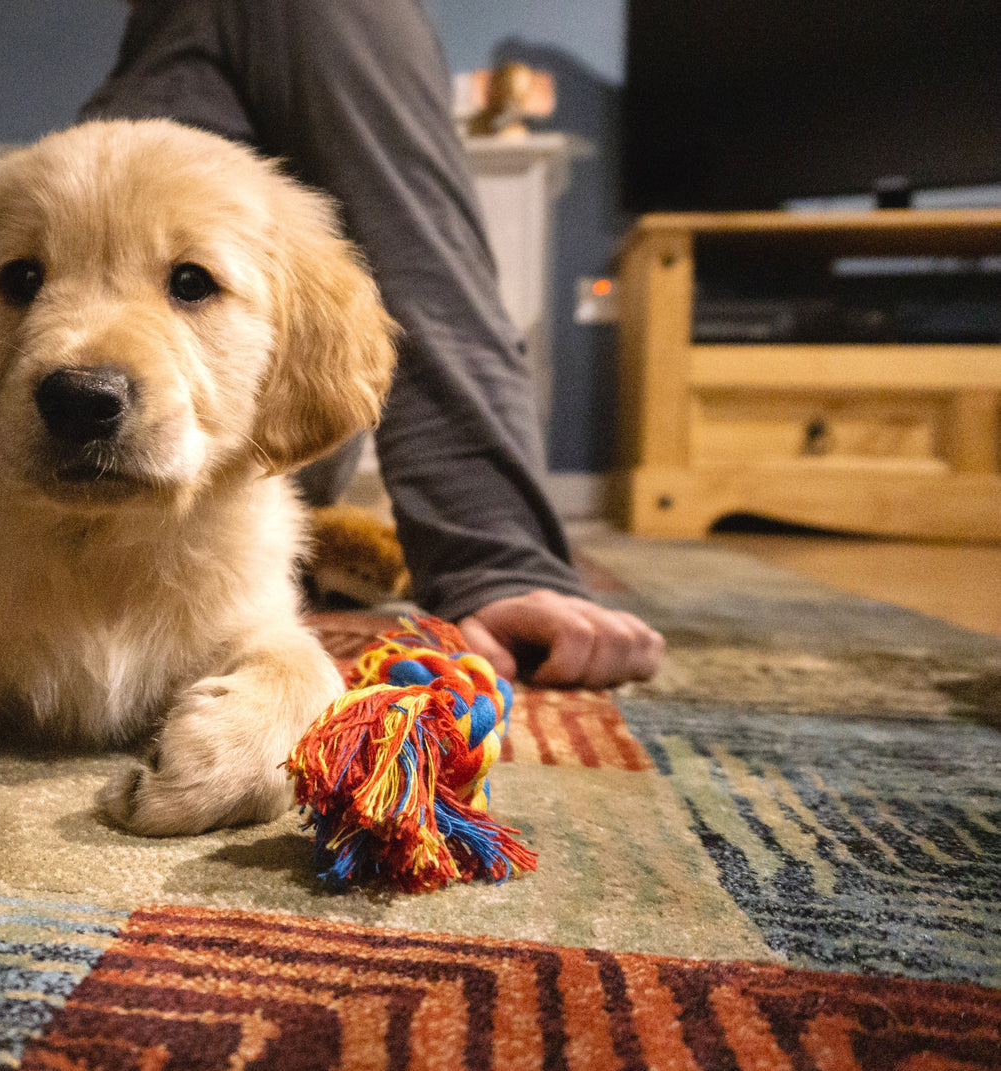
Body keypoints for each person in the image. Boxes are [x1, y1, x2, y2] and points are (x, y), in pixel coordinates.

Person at [79, 0, 664, 688]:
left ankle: (494, 548)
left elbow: (418, 260)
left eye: (189, 282)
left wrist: (498, 557)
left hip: (234, 457)